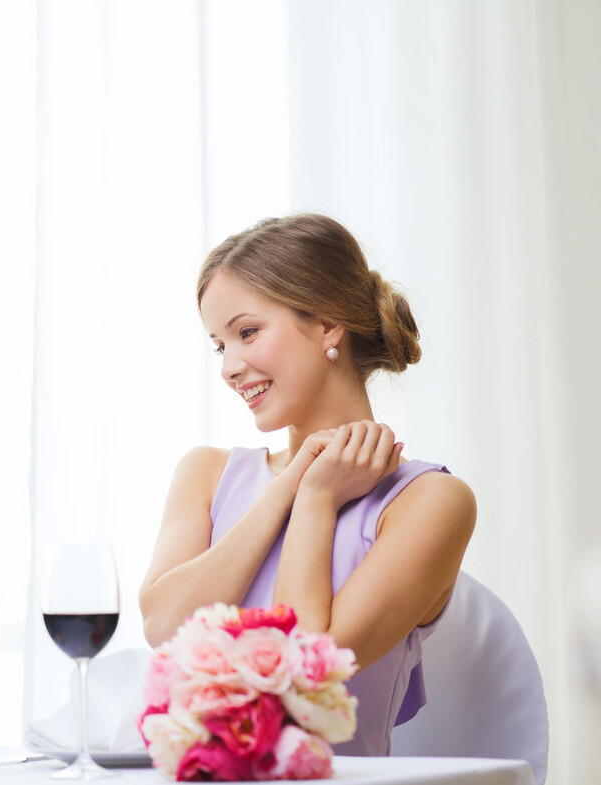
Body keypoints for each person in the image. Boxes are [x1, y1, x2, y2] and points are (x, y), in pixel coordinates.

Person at [138, 213, 475, 756]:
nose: (228, 367)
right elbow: (163, 627)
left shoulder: (431, 502)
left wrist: (317, 499)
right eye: (219, 345)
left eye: (247, 332)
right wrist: (292, 483)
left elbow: (304, 671)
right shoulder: (206, 474)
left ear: (328, 325)